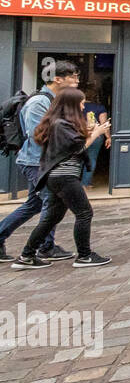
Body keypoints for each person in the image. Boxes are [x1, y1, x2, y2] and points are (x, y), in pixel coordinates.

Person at [12, 88, 112, 269]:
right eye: (81, 103)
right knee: (84, 213)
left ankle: (26, 256)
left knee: (51, 217)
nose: (83, 106)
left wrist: (90, 131)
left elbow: (71, 145)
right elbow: (77, 149)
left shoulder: (58, 123)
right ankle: (85, 256)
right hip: (64, 176)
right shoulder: (61, 124)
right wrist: (96, 133)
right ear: (71, 105)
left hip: (57, 176)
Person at [0, 60, 79, 264]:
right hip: (36, 162)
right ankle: (44, 248)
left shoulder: (56, 101)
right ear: (57, 79)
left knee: (34, 204)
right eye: (73, 77)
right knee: (52, 203)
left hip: (44, 161)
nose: (77, 81)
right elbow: (40, 136)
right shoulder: (39, 102)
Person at [80, 85, 110, 188]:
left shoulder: (77, 106)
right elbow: (104, 124)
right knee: (91, 159)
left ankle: (74, 184)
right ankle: (85, 183)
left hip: (81, 134)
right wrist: (108, 137)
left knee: (77, 158)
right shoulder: (100, 107)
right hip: (96, 136)